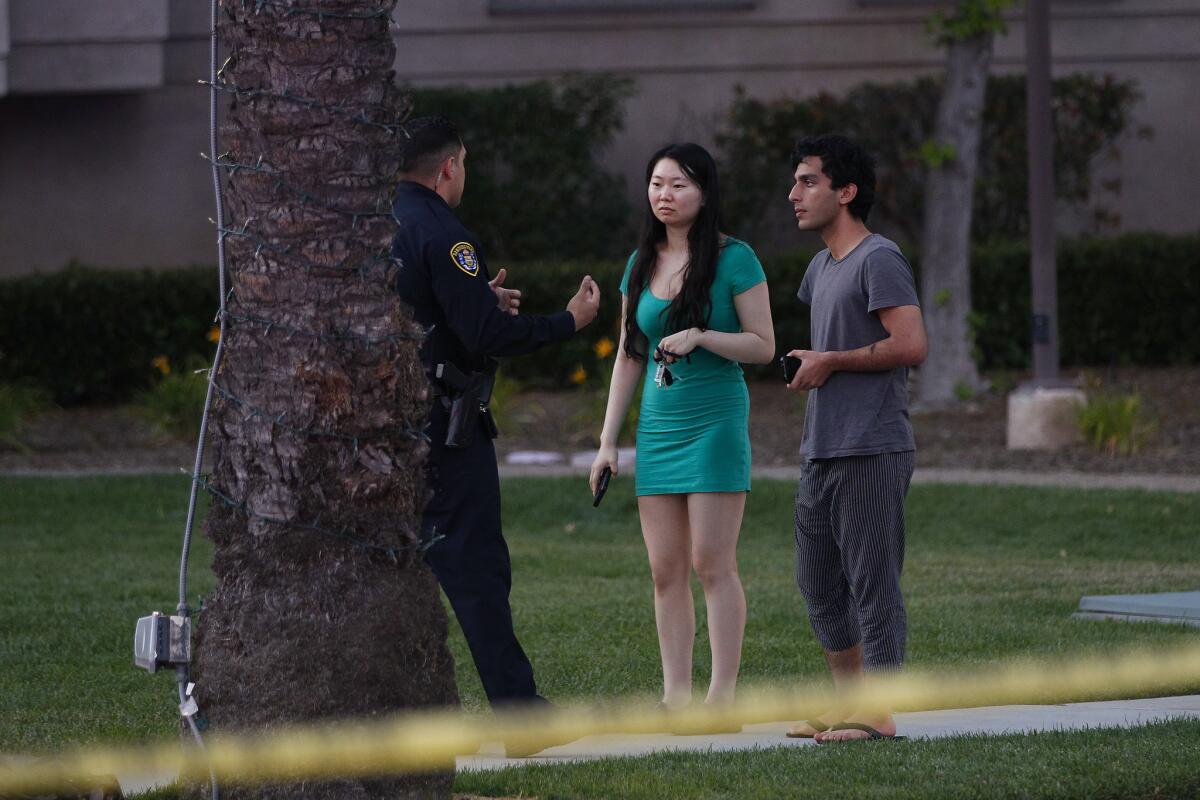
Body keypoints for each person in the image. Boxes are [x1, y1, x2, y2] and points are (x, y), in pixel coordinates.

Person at [391, 116, 601, 715]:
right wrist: (569, 322)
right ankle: (519, 710)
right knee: (476, 566)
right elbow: (486, 335)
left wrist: (478, 299)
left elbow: (427, 311)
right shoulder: (444, 232)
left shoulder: (377, 224)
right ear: (449, 167)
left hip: (382, 424)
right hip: (443, 428)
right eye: (465, 164)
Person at [589, 143, 774, 714]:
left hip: (715, 419)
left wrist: (703, 337)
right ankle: (675, 697)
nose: (664, 196)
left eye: (679, 186)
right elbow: (629, 354)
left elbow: (764, 347)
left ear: (704, 193)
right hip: (660, 426)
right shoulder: (640, 261)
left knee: (711, 564)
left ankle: (721, 699)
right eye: (657, 184)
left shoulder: (736, 258)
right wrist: (607, 442)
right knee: (664, 569)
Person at [781, 134, 928, 743]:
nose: (794, 194)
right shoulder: (820, 268)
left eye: (808, 182)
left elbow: (911, 345)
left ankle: (880, 713)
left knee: (872, 578)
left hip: (873, 443)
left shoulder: (879, 258)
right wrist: (813, 364)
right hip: (823, 445)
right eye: (795, 182)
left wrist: (831, 361)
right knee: (817, 575)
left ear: (846, 192)